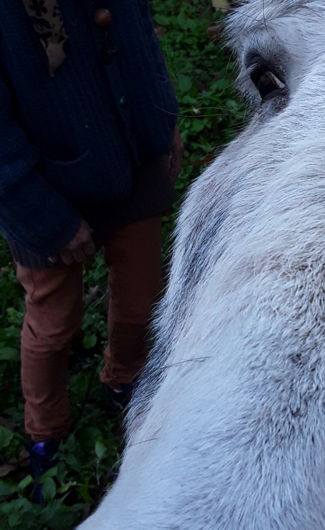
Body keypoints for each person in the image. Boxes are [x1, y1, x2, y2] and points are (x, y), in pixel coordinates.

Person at [0, 0, 182, 493]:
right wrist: (44, 218)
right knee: (54, 322)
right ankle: (46, 430)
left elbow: (140, 36)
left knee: (142, 300)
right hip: (44, 189)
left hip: (131, 159)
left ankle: (123, 378)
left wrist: (163, 119)